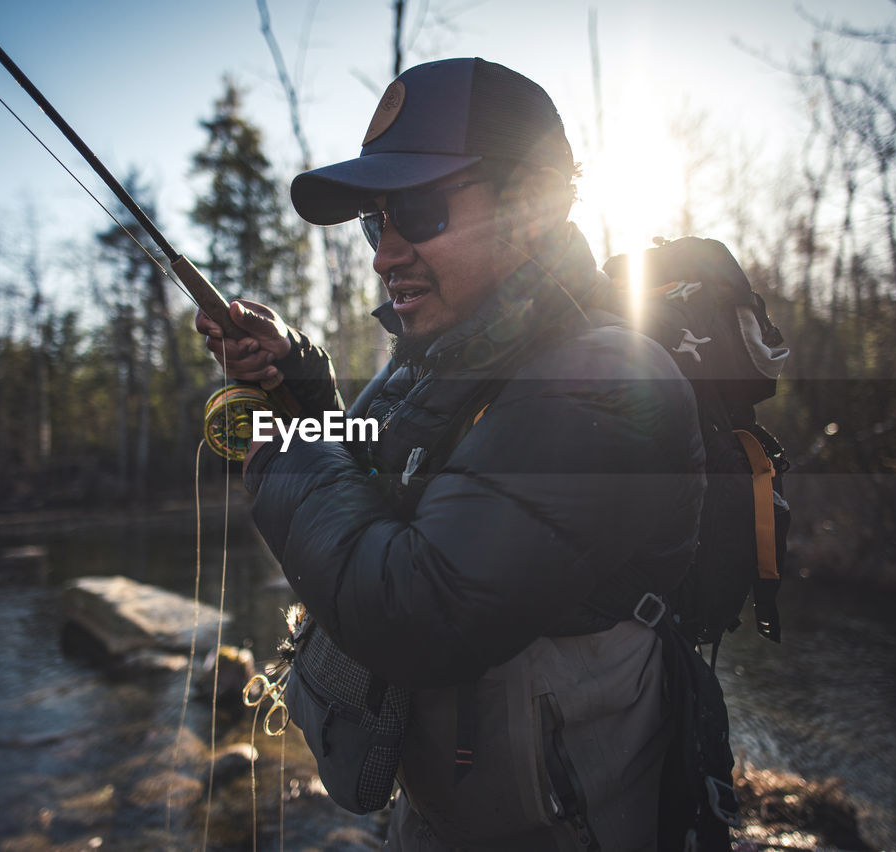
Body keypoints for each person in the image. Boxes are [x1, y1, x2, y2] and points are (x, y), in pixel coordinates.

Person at [196, 57, 706, 851]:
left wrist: (281, 454)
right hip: (443, 817)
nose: (383, 254)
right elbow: (370, 465)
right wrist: (297, 381)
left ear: (531, 207)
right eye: (376, 222)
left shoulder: (606, 381)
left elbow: (418, 609)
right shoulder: (447, 355)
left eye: (419, 212)